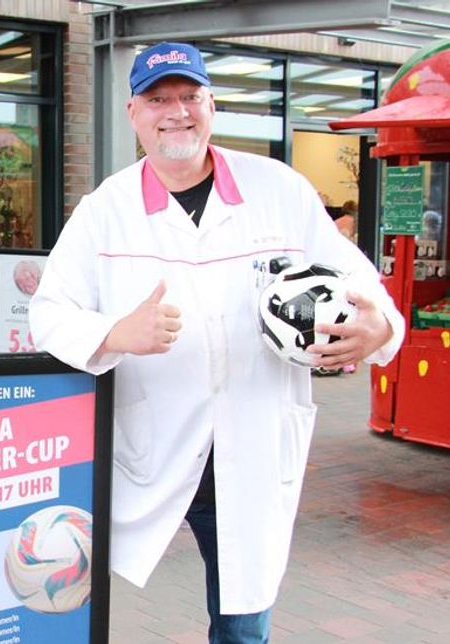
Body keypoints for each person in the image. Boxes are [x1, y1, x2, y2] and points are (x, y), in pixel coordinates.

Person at [29, 42, 404, 643]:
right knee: (80, 595)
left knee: (242, 621)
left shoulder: (278, 188)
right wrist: (115, 333)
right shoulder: (105, 210)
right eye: (158, 99)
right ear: (133, 113)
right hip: (147, 449)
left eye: (189, 96)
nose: (176, 112)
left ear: (211, 105)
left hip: (250, 445)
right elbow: (48, 314)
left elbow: (362, 282)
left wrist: (380, 327)